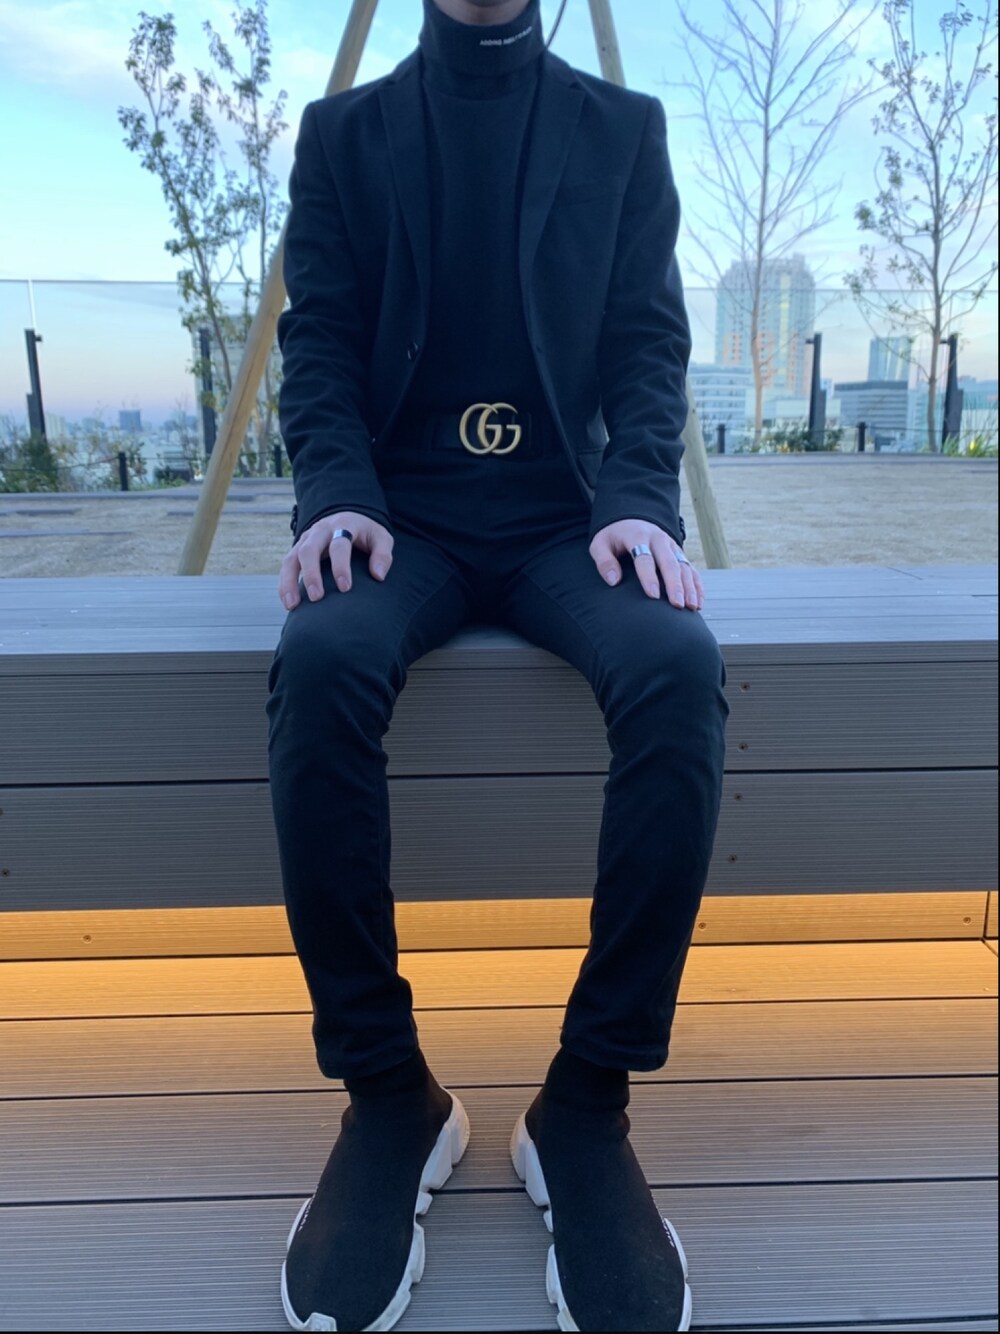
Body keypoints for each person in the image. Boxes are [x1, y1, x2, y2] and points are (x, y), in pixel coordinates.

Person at [264, 0, 729, 1327]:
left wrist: (638, 499)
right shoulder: (342, 136)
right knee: (320, 662)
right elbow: (320, 343)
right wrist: (335, 496)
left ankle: (587, 1102)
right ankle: (386, 1096)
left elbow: (648, 347)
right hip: (397, 519)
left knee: (677, 668)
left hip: (565, 520)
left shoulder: (623, 132)